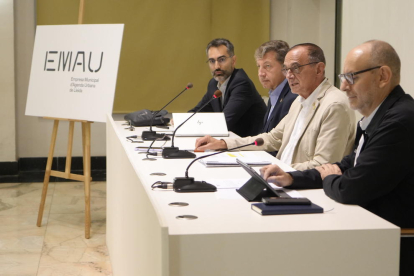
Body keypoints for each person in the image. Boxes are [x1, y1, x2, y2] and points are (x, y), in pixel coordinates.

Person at [260, 40, 414, 276]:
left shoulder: (400, 121)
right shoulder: (379, 115)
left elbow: (353, 187)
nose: (343, 86)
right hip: (369, 231)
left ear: (383, 76)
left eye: (352, 77)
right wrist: (293, 178)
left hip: (393, 245)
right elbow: (347, 165)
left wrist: (329, 177)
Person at [195, 43, 356, 170]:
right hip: (283, 178)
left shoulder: (334, 105)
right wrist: (224, 143)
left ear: (319, 69)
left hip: (305, 189)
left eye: (296, 68)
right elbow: (272, 138)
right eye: (286, 69)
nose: (289, 75)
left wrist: (277, 169)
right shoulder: (300, 101)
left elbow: (323, 165)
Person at [189, 38, 267, 137]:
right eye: (212, 61)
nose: (217, 66)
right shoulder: (213, 84)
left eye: (222, 60)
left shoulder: (241, 83)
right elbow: (199, 110)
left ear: (233, 61)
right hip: (230, 142)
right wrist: (183, 120)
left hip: (251, 145)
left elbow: (224, 122)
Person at [256, 40, 297, 134]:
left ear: (285, 67)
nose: (261, 73)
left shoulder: (292, 97)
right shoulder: (275, 92)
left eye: (267, 66)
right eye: (259, 66)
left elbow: (279, 142)